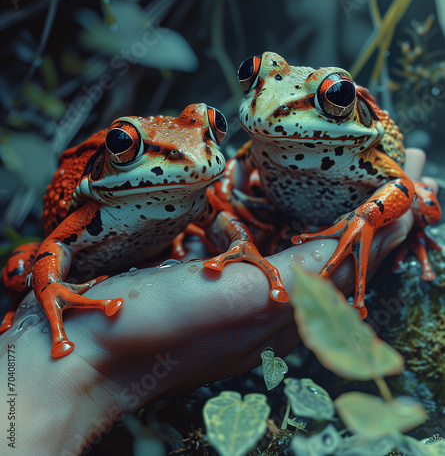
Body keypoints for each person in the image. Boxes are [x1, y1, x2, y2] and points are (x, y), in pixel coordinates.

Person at [0, 149, 437, 455]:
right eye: (128, 147)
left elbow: (221, 220)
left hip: (151, 247)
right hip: (70, 250)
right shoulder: (95, 208)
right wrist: (66, 341)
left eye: (211, 132)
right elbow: (53, 248)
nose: (192, 158)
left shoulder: (194, 197)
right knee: (20, 270)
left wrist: (241, 242)